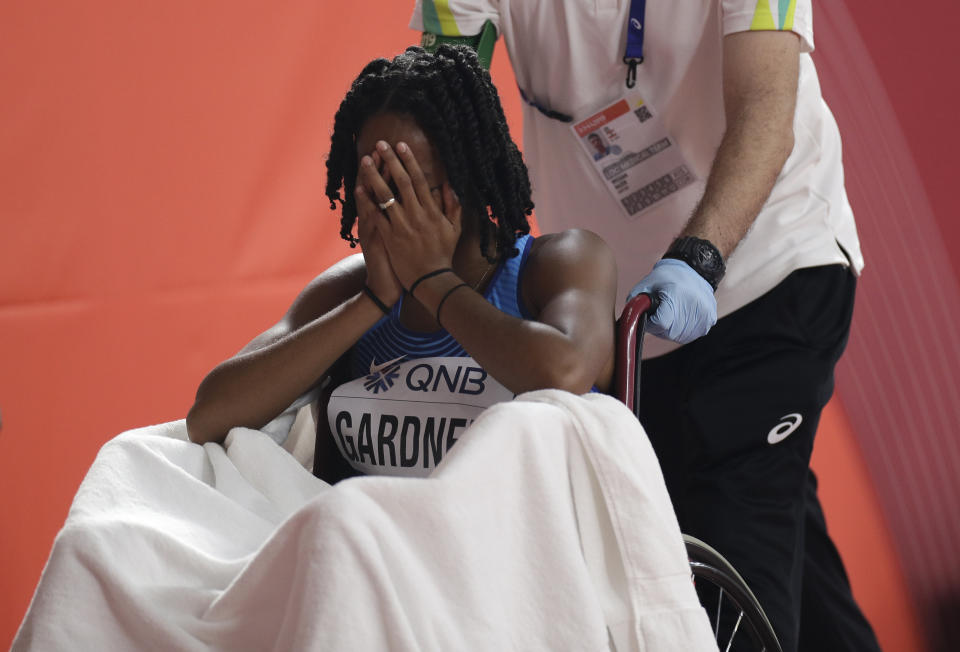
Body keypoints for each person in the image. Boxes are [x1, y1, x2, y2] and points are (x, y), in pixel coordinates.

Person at [410, 2, 881, 651]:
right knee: (751, 513)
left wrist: (700, 258)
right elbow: (439, 111)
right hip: (628, 309)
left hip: (769, 262)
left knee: (726, 557)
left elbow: (768, 109)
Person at [186, 45, 618, 480]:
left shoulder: (557, 263)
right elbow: (208, 416)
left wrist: (434, 281)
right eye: (374, 183)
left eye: (412, 186)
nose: (389, 206)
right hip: (373, 539)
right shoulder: (351, 287)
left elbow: (566, 371)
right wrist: (372, 300)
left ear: (468, 177)